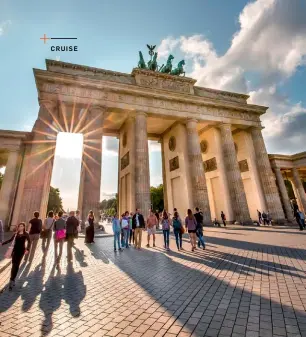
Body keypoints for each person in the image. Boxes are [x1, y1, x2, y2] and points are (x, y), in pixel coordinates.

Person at [1, 222, 31, 290]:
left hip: (21, 251)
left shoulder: (26, 234)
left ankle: (12, 279)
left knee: (17, 265)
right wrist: (2, 243)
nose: (21, 227)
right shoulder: (16, 234)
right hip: (15, 251)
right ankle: (12, 279)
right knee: (13, 265)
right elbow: (10, 240)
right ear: (18, 227)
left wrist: (28, 249)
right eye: (20, 226)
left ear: (24, 227)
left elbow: (29, 242)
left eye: (22, 226)